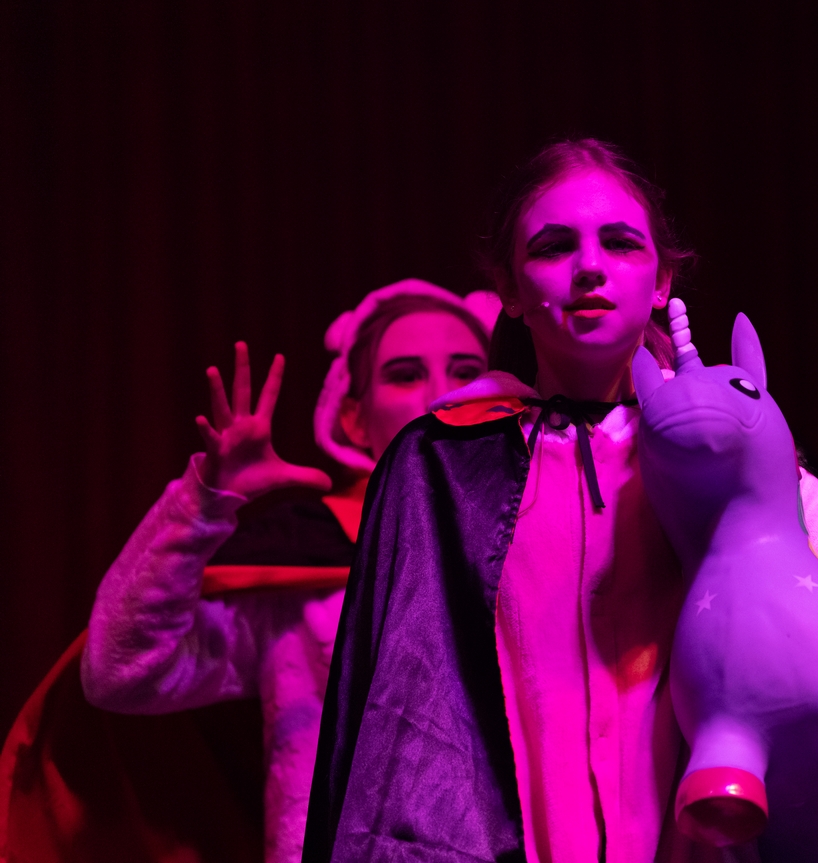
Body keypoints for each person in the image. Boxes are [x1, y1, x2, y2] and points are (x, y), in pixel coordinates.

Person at [303, 140, 818, 863]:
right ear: (508, 288)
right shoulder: (445, 464)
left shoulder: (721, 452)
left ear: (662, 280)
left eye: (621, 243)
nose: (590, 267)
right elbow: (398, 715)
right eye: (554, 246)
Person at [0, 280, 498, 863]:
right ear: (354, 419)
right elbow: (117, 672)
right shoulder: (304, 564)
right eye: (405, 375)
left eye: (467, 372)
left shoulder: (551, 532)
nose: (441, 396)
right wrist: (201, 506)